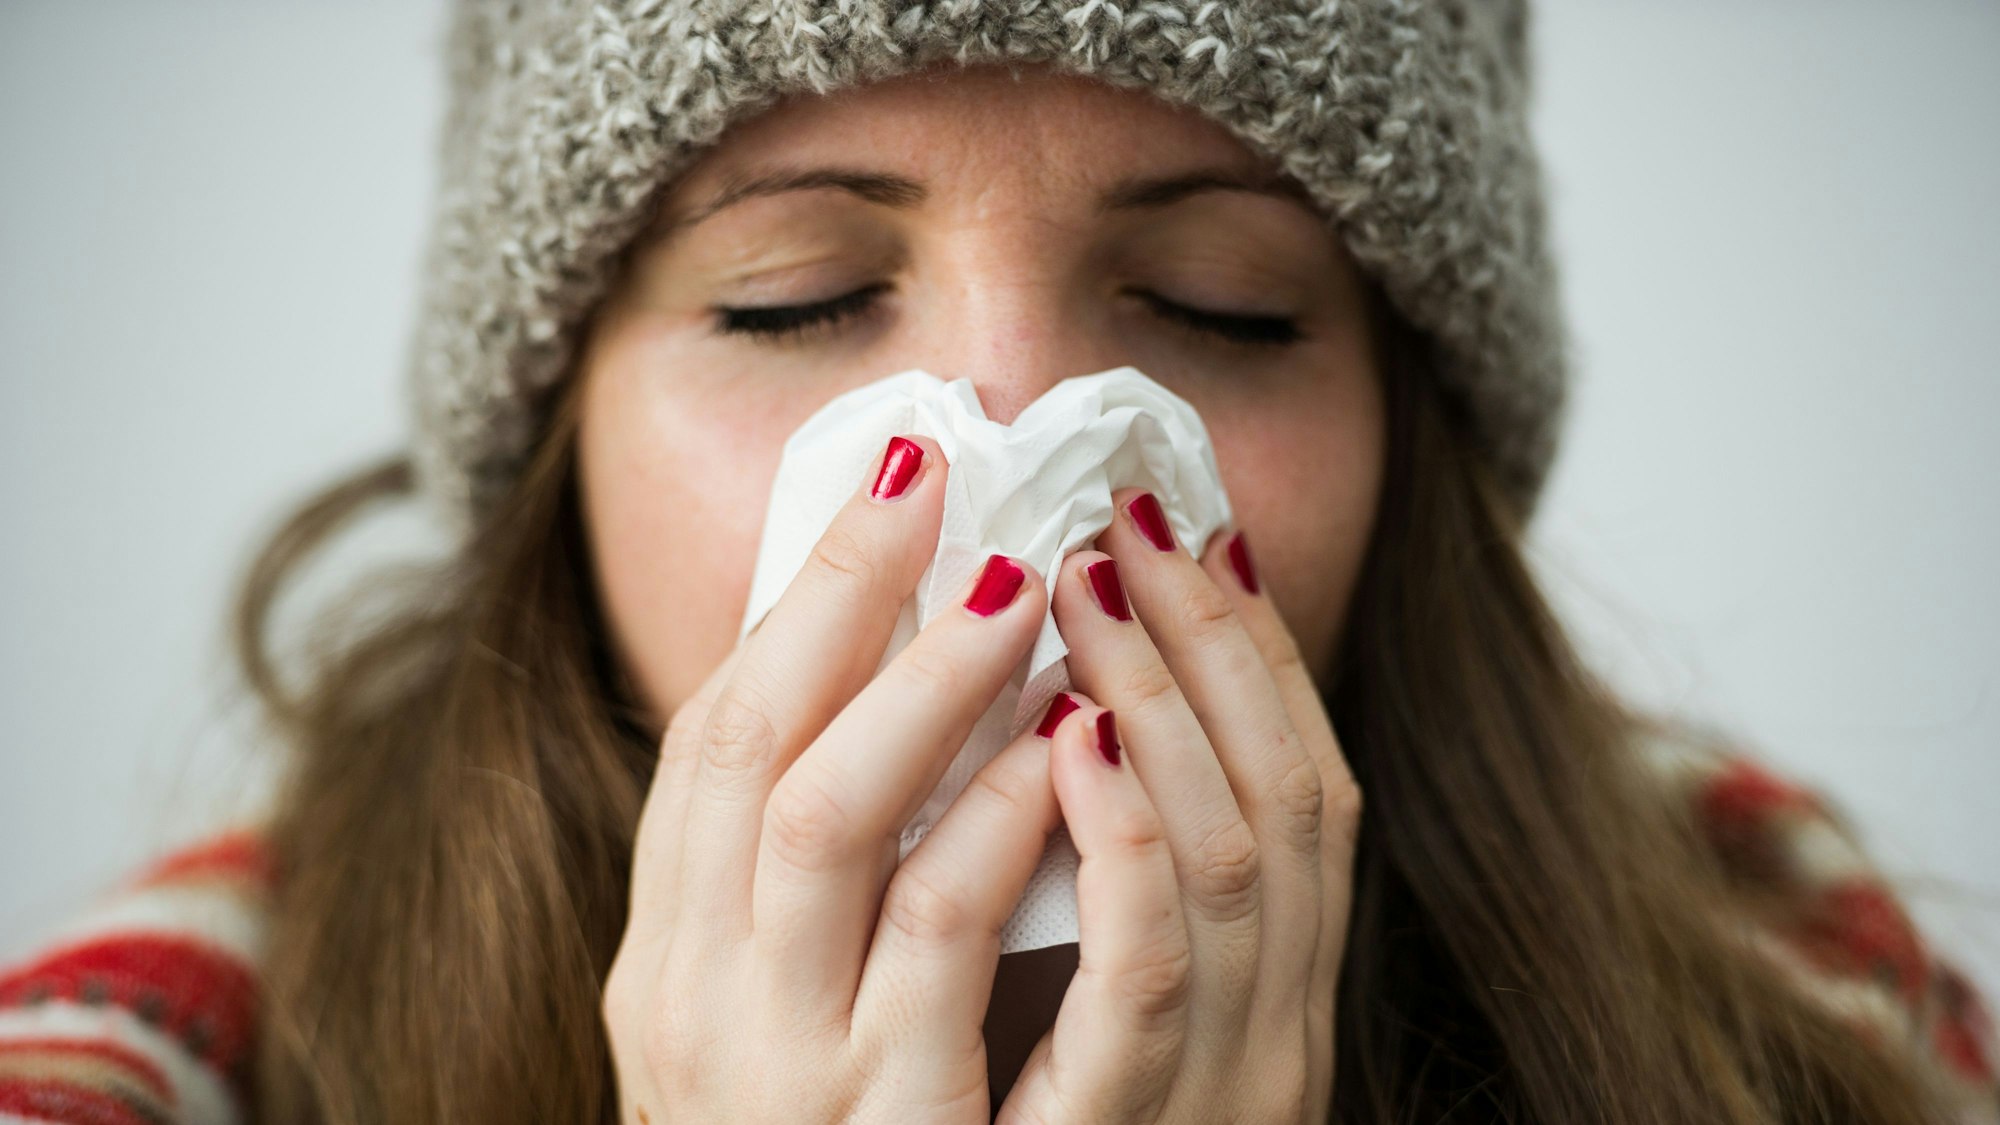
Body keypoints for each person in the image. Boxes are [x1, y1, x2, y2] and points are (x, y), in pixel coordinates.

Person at [1, 3, 1993, 1123]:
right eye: (793, 300)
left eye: (1215, 305)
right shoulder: (120, 1080)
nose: (1017, 447)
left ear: (1414, 439)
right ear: (559, 441)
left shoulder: (1835, 1056)